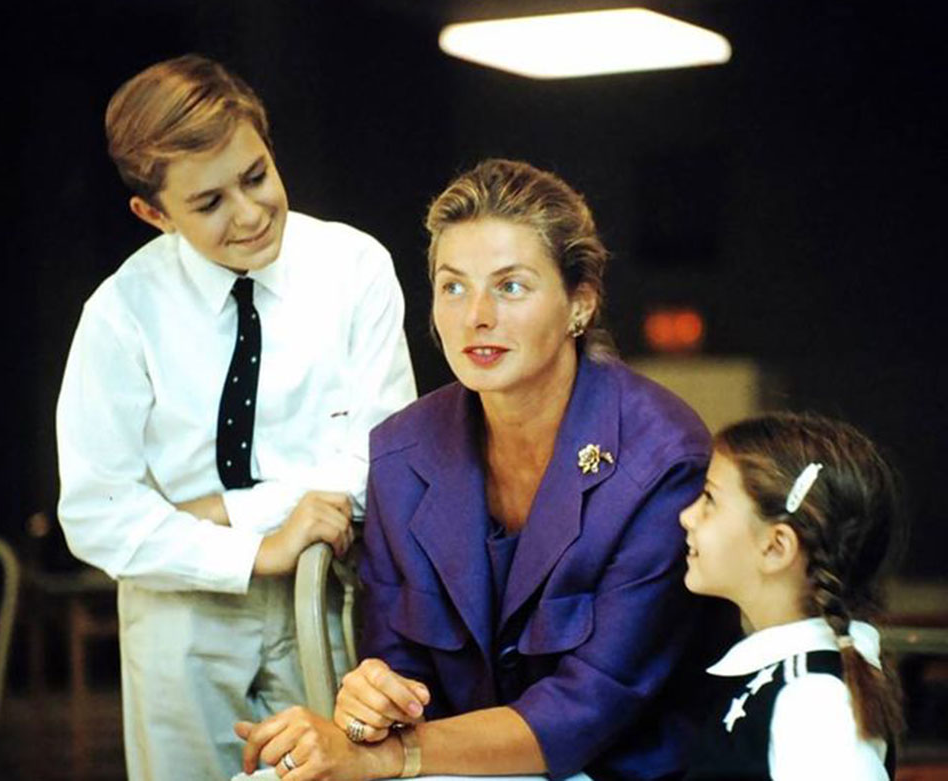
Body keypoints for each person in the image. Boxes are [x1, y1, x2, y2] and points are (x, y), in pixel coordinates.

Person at [236, 158, 737, 780]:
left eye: (511, 287)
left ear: (580, 304)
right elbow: (396, 665)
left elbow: (590, 707)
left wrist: (390, 753)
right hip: (456, 766)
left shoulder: (660, 459)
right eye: (453, 287)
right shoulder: (401, 453)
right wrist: (374, 700)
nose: (476, 315)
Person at [55, 54, 416, 781]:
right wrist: (258, 546)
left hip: (324, 589)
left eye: (256, 177)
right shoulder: (120, 312)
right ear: (154, 215)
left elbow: (384, 462)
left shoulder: (355, 268)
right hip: (177, 612)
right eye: (209, 202)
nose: (249, 214)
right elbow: (96, 513)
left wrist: (224, 510)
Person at [679, 412, 904, 779]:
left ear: (776, 547)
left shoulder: (815, 700)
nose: (688, 516)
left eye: (709, 499)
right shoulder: (787, 681)